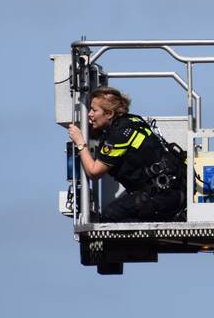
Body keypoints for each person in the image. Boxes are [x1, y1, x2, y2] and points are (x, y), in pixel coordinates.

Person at [67, 86, 185, 222]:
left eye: (94, 110)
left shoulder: (119, 135)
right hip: (171, 190)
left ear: (109, 114)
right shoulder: (132, 121)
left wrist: (80, 142)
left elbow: (94, 172)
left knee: (110, 217)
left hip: (164, 196)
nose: (89, 114)